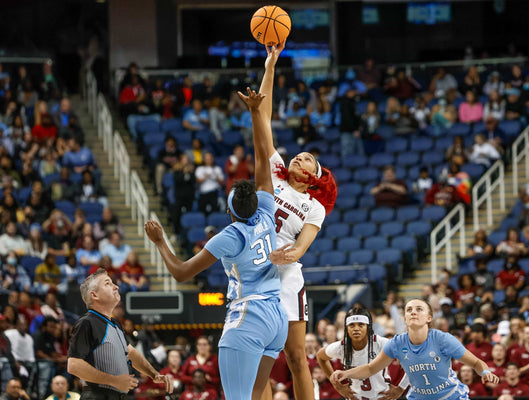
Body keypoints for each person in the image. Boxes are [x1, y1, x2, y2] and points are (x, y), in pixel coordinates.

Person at [146, 67, 288, 400]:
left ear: (230, 212)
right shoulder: (267, 210)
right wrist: (255, 114)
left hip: (249, 317)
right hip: (276, 317)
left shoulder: (230, 235)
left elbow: (181, 273)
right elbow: (262, 161)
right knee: (256, 395)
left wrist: (160, 242)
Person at [248, 42, 337, 400]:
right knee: (258, 359)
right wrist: (271, 65)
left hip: (285, 274)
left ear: (314, 177)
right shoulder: (275, 173)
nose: (300, 157)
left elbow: (303, 245)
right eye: (299, 155)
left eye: (308, 160)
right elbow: (263, 117)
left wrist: (289, 253)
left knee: (296, 356)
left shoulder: (314, 206)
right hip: (254, 268)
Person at [331, 298, 500, 400]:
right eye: (409, 310)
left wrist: (486, 373)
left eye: (419, 309)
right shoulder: (397, 343)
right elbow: (370, 369)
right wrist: (346, 373)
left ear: (429, 317)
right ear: (404, 318)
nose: (413, 312)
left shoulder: (443, 339)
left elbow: (477, 363)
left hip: (451, 396)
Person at [67, 269, 173, 399]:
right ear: (94, 295)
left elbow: (131, 353)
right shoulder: (87, 323)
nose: (116, 286)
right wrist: (114, 380)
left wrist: (154, 374)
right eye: (108, 284)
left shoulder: (115, 324)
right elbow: (73, 365)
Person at [316, 307, 405, 399]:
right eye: (352, 325)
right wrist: (337, 386)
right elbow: (320, 356)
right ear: (346, 328)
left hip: (381, 397)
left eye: (361, 324)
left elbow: (410, 357)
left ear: (368, 327)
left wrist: (401, 388)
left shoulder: (381, 342)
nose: (356, 329)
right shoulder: (341, 346)